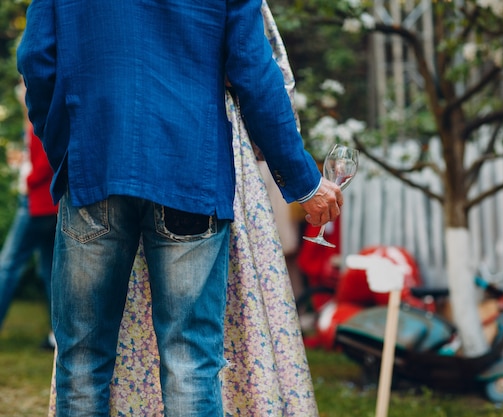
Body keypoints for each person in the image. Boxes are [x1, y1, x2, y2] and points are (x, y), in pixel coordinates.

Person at [18, 0, 342, 415]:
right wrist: (303, 181)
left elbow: (36, 58)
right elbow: (253, 71)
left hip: (97, 166)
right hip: (191, 169)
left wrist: (72, 147)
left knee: (81, 360)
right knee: (190, 362)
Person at [0, 79, 56, 349]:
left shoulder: (41, 114)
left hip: (36, 204)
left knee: (8, 264)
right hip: (51, 205)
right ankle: (57, 335)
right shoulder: (41, 115)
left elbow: (46, 161)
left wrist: (28, 180)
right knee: (50, 272)